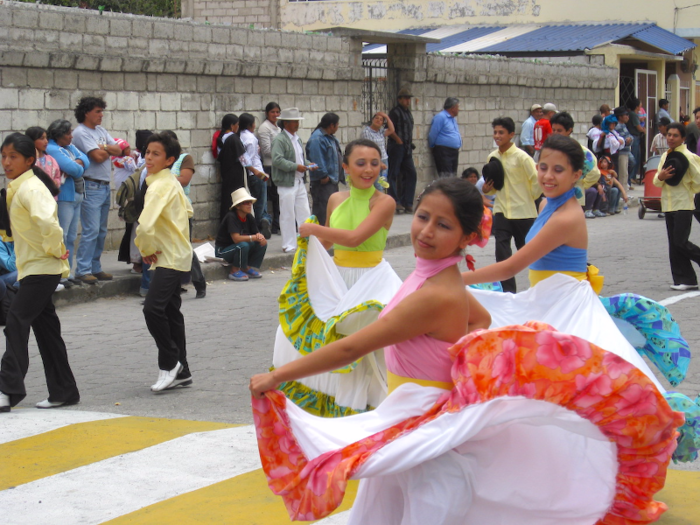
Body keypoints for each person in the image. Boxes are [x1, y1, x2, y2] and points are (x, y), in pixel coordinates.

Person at [250, 176, 681, 525]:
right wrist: (457, 358)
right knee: (381, 502)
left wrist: (277, 377)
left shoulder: (435, 293)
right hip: (418, 411)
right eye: (422, 217)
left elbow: (350, 349)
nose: (426, 231)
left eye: (444, 225)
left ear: (467, 237)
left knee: (420, 499)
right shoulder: (440, 279)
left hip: (426, 420)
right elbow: (480, 321)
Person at [271, 138, 402, 416]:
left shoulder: (385, 202)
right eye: (361, 163)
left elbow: (355, 238)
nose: (368, 170)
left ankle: (366, 410)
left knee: (363, 347)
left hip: (372, 280)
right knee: (301, 333)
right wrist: (309, 253)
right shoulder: (335, 199)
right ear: (345, 167)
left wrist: (312, 230)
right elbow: (331, 244)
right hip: (337, 278)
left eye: (374, 164)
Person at [0, 133, 78, 413]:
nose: (6, 162)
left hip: (42, 269)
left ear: (29, 161)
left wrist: (55, 249)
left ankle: (7, 390)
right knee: (46, 329)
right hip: (33, 267)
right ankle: (64, 391)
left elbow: (48, 222)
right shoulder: (19, 187)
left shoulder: (31, 188)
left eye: (13, 157)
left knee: (16, 320)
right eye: (4, 156)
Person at [135, 132, 194, 393]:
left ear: (170, 159)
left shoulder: (160, 185)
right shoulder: (169, 182)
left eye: (155, 154)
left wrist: (146, 249)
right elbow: (188, 210)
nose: (148, 157)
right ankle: (183, 370)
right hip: (174, 254)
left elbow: (145, 225)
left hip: (168, 256)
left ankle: (171, 362)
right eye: (147, 152)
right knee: (170, 312)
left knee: (152, 309)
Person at [482, 117, 540, 293]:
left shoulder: (523, 157)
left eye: (501, 133)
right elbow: (493, 187)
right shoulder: (492, 157)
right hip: (501, 212)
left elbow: (536, 181)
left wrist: (528, 198)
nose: (497, 136)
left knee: (530, 256)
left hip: (524, 214)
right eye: (495, 132)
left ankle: (539, 289)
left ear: (511, 135)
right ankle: (508, 293)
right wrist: (487, 189)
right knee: (502, 254)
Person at [71, 96, 121, 284]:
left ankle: (95, 267)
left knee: (100, 230)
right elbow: (98, 157)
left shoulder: (100, 131)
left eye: (102, 111)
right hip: (91, 184)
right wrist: (106, 150)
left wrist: (105, 147)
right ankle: (82, 269)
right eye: (98, 111)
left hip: (104, 185)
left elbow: (120, 149)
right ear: (86, 113)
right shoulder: (81, 133)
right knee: (90, 229)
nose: (101, 115)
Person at [653, 123, 700, 291]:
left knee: (681, 242)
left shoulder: (689, 156)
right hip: (668, 204)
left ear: (683, 138)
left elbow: (698, 180)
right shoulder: (665, 156)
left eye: (675, 135)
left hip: (684, 204)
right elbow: (656, 181)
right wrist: (661, 176)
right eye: (669, 135)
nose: (671, 138)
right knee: (673, 244)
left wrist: (689, 189)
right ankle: (686, 279)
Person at [160, 130, 206, 299]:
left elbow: (184, 179)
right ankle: (169, 288)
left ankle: (199, 282)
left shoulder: (185, 158)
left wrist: (163, 179)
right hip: (163, 210)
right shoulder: (161, 161)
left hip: (181, 210)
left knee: (185, 248)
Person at [46, 119, 89, 288]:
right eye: (68, 133)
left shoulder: (68, 147)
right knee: (62, 236)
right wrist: (78, 164)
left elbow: (85, 159)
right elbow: (75, 169)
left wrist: (79, 163)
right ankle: (59, 274)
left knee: (71, 237)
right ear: (59, 135)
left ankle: (68, 271)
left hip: (76, 196)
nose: (71, 136)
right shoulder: (53, 148)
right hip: (64, 198)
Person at [271, 107, 316, 254]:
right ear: (286, 123)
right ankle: (288, 244)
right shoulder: (280, 140)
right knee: (287, 214)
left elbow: (300, 157)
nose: (297, 124)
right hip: (286, 182)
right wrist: (296, 166)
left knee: (304, 212)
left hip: (298, 181)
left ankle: (305, 240)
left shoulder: (297, 138)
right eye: (294, 121)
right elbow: (277, 160)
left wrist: (308, 164)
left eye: (297, 121)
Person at [215, 187, 267, 282]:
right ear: (238, 206)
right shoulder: (231, 217)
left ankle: (246, 267)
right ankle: (234, 270)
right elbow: (236, 239)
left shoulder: (249, 217)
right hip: (223, 251)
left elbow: (256, 233)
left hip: (237, 247)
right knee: (243, 245)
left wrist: (260, 237)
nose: (249, 205)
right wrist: (254, 237)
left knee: (260, 243)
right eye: (246, 203)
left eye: (250, 202)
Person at [306, 113, 344, 226]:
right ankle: (319, 238)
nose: (337, 127)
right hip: (323, 182)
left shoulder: (329, 137)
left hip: (331, 180)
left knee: (331, 209)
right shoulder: (317, 139)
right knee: (322, 211)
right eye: (337, 125)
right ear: (332, 125)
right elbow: (317, 159)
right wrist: (323, 176)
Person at [238, 112, 272, 239]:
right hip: (256, 173)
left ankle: (260, 223)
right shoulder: (251, 139)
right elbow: (249, 159)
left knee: (253, 201)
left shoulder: (239, 137)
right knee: (260, 203)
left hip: (249, 175)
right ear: (251, 124)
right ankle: (261, 224)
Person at [387, 88, 417, 213]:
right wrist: (398, 140)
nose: (407, 101)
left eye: (408, 98)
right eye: (405, 98)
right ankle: (395, 201)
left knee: (411, 173)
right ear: (399, 99)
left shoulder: (408, 113)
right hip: (397, 147)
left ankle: (408, 202)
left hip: (407, 148)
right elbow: (389, 129)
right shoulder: (394, 112)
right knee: (393, 173)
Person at [257, 102, 282, 235]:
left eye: (277, 112)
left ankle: (277, 225)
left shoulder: (278, 128)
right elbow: (266, 150)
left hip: (278, 167)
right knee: (269, 197)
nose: (275, 115)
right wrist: (282, 154)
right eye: (273, 112)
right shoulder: (264, 128)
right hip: (269, 167)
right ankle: (270, 224)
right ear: (267, 113)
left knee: (278, 197)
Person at [216, 113, 247, 221]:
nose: (238, 127)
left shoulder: (222, 138)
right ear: (232, 125)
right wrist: (255, 171)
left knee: (227, 201)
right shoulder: (233, 138)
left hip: (226, 174)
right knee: (237, 200)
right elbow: (243, 158)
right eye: (237, 125)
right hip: (235, 175)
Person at [428, 97, 462, 178]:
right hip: (444, 152)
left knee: (453, 177)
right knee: (447, 177)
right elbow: (432, 134)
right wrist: (433, 147)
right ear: (452, 108)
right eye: (457, 107)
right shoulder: (441, 117)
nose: (459, 109)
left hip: (453, 152)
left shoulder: (452, 119)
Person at [361, 111, 395, 188]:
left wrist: (387, 117)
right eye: (376, 118)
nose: (378, 120)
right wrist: (379, 162)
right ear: (372, 120)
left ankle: (381, 199)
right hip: (374, 162)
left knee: (383, 184)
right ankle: (378, 200)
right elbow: (368, 149)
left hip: (384, 160)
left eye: (381, 120)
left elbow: (392, 130)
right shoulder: (366, 132)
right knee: (377, 186)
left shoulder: (381, 131)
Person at [25, 127, 61, 194]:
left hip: (50, 197)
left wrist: (56, 182)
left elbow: (57, 176)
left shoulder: (51, 159)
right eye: (42, 138)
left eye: (46, 138)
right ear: (31, 141)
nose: (46, 141)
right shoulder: (28, 160)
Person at [626, 98, 645, 183]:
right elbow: (638, 127)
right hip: (634, 136)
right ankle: (632, 177)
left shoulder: (634, 114)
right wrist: (643, 130)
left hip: (635, 137)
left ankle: (632, 177)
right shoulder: (633, 115)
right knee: (634, 157)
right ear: (637, 106)